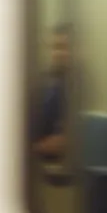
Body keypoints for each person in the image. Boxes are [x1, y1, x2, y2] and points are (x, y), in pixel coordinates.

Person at [31, 24, 72, 163]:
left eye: (64, 47)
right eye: (56, 47)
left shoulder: (76, 89)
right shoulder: (43, 84)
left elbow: (67, 141)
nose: (59, 53)